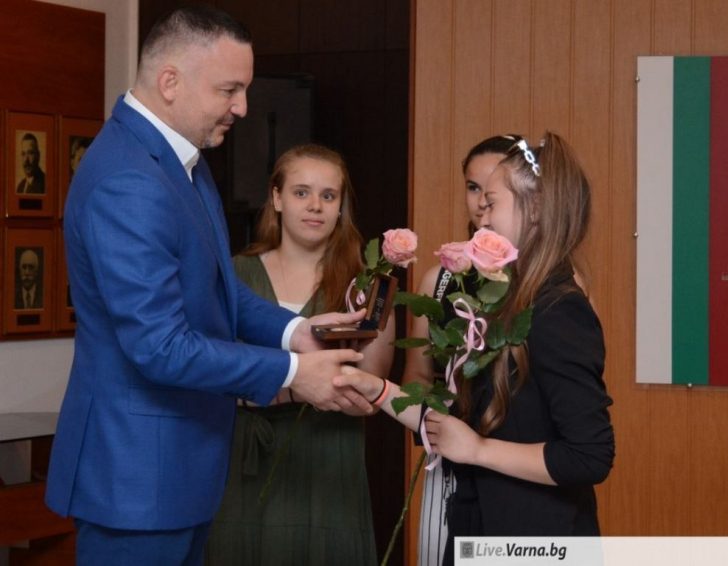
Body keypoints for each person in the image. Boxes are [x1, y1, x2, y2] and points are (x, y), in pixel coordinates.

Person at [45, 6, 371, 564]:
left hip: (176, 471)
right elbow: (160, 346)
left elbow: (216, 288)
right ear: (170, 81)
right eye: (229, 90)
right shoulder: (130, 179)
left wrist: (296, 332)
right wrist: (294, 373)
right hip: (137, 480)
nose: (242, 107)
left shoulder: (179, 161)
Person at [337, 131, 615, 566]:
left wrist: (478, 450)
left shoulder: (560, 309)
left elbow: (589, 456)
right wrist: (375, 389)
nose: (481, 218)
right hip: (479, 521)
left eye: (492, 203)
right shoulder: (505, 301)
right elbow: (455, 428)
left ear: (536, 208)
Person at [206, 144, 394, 565]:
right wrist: (296, 387)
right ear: (276, 198)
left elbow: (371, 391)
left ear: (341, 206)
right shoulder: (234, 275)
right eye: (301, 192)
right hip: (245, 457)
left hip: (330, 458)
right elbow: (209, 372)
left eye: (328, 195)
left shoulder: (365, 285)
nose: (315, 206)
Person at [404, 135, 516, 566]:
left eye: (493, 188)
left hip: (518, 466)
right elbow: (416, 374)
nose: (482, 201)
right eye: (472, 187)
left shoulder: (547, 280)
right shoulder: (440, 279)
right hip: (449, 462)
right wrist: (437, 422)